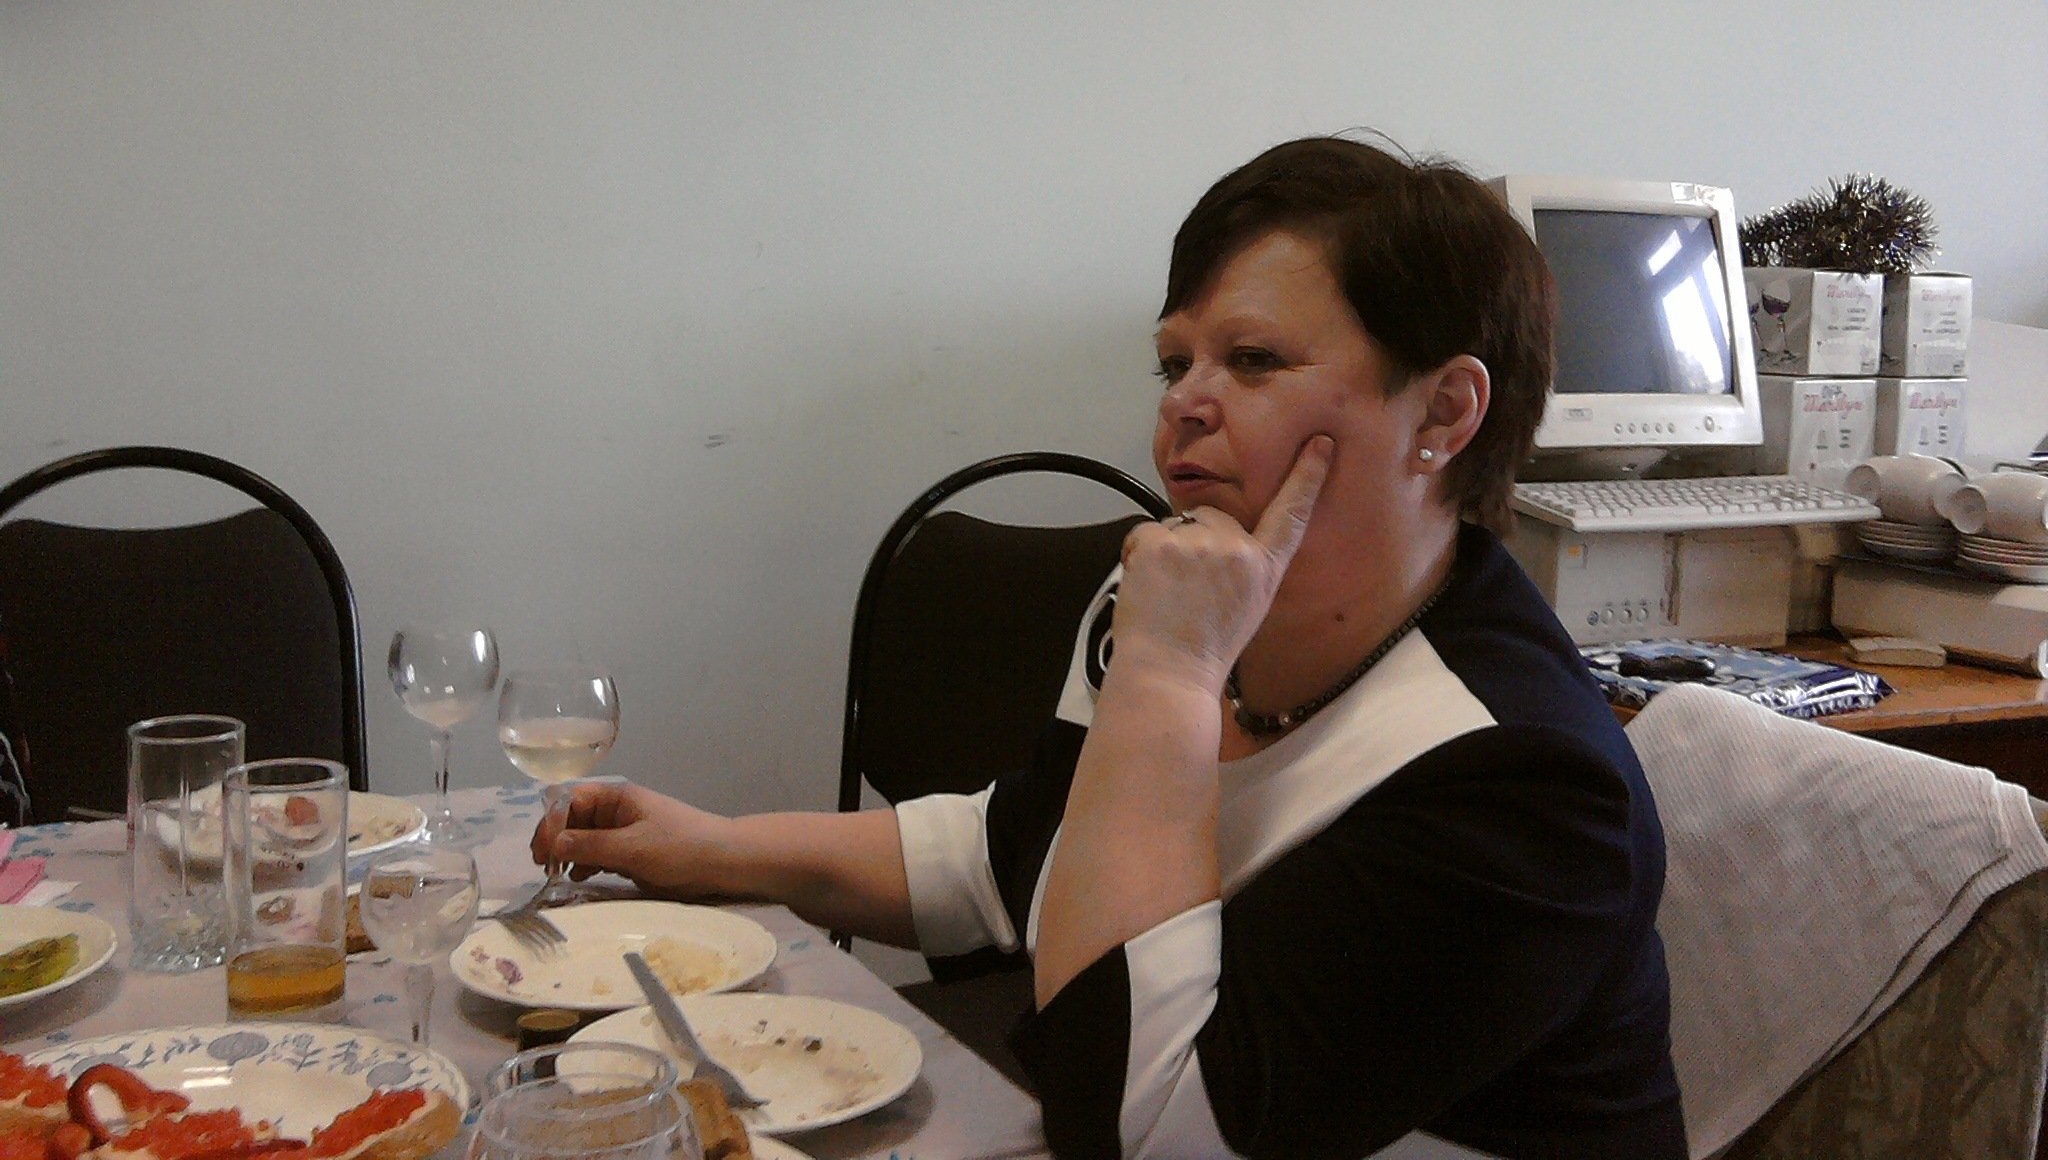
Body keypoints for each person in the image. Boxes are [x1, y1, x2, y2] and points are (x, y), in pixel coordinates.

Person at [533, 136, 1687, 1160]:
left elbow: (1140, 1126)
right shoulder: (1163, 603)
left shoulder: (1526, 783)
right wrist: (717, 847)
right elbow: (1015, 853)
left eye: (1251, 360)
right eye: (1173, 363)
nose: (1184, 403)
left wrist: (1167, 679)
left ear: (1440, 415)